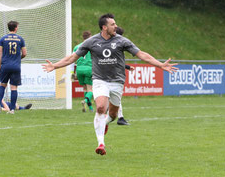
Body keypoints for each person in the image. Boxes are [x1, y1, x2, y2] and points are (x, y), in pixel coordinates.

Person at [42, 13, 178, 155]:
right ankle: (101, 143)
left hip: (117, 82)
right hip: (100, 80)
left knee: (113, 115)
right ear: (104, 27)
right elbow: (72, 58)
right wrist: (55, 66)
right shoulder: (91, 42)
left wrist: (160, 65)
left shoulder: (122, 41)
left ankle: (105, 123)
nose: (116, 26)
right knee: (100, 107)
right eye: (113, 24)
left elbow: (141, 54)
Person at [0, 21, 27, 114]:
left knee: (2, 85)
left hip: (5, 65)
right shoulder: (20, 39)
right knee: (14, 88)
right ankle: (12, 109)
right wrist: (18, 58)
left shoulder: (3, 39)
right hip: (16, 66)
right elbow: (24, 53)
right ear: (16, 28)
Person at [73, 31, 94, 112]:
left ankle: (90, 108)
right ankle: (85, 101)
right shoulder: (92, 46)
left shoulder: (76, 47)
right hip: (88, 69)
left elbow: (72, 60)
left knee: (85, 89)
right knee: (90, 89)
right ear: (90, 37)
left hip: (79, 69)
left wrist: (73, 73)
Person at [116, 26, 132, 126]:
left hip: (112, 75)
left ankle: (118, 117)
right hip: (115, 76)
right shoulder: (118, 45)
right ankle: (120, 118)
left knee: (114, 98)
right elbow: (117, 61)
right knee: (116, 97)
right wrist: (127, 66)